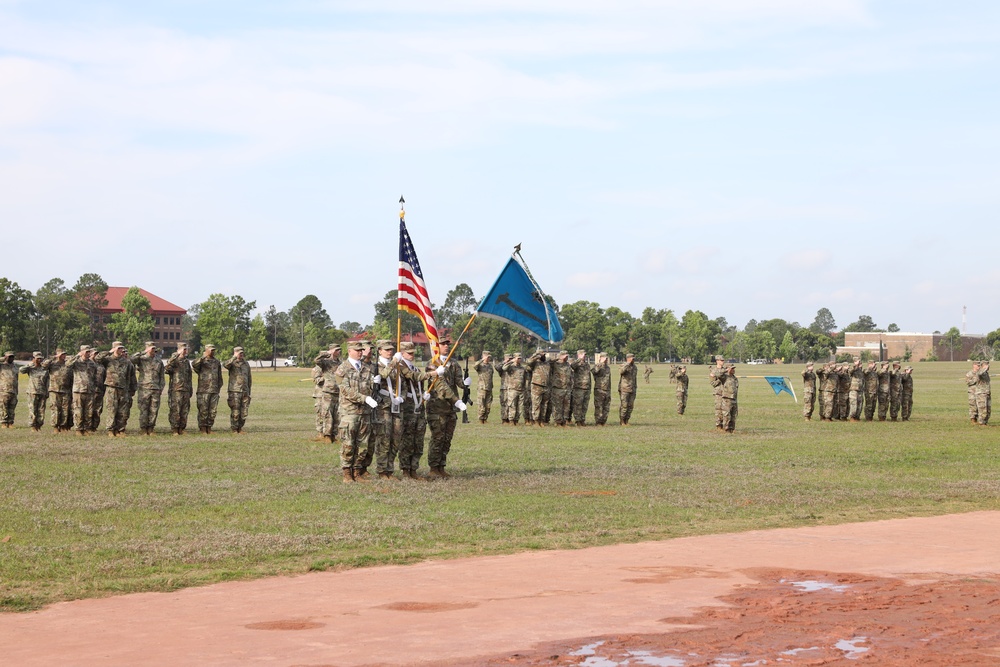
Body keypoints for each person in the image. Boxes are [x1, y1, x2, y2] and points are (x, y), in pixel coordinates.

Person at [394, 341, 443, 479]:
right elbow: (414, 377)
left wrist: (424, 394)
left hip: (418, 408)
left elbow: (418, 381)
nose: (411, 356)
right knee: (407, 440)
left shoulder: (414, 368)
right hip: (408, 409)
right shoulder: (400, 367)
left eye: (413, 353)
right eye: (409, 353)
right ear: (402, 353)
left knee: (418, 440)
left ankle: (413, 469)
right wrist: (433, 373)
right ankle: (405, 470)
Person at [334, 341, 378, 482]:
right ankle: (347, 472)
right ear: (350, 351)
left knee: (363, 444)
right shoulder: (342, 369)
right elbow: (346, 391)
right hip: (350, 412)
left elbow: (370, 388)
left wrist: (374, 384)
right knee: (348, 443)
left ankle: (357, 471)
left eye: (361, 350)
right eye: (357, 350)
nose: (360, 352)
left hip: (365, 412)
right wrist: (364, 398)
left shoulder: (366, 368)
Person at [424, 338, 467, 478]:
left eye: (448, 344)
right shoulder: (432, 364)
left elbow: (458, 381)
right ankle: (433, 467)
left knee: (447, 439)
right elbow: (441, 386)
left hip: (450, 408)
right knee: (437, 438)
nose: (446, 346)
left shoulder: (453, 363)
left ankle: (441, 466)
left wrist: (465, 384)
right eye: (443, 344)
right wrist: (457, 401)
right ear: (436, 346)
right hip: (437, 407)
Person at [95, 341, 135, 437]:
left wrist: (132, 388)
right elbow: (97, 358)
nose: (121, 350)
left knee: (122, 411)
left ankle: (120, 430)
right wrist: (109, 352)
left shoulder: (127, 362)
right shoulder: (108, 360)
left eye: (122, 348)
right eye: (119, 348)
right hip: (111, 388)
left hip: (123, 388)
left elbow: (131, 376)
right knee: (112, 409)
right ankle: (111, 430)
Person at [132, 341, 165, 435]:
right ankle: (143, 428)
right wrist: (143, 352)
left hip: (155, 388)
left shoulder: (158, 361)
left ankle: (151, 428)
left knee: (154, 409)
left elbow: (161, 376)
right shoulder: (142, 359)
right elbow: (132, 359)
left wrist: (161, 388)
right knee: (144, 409)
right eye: (151, 348)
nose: (153, 350)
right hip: (144, 388)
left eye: (154, 348)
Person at [65, 345, 97, 436]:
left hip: (89, 390)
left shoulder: (92, 363)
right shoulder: (76, 362)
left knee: (89, 411)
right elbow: (67, 365)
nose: (88, 354)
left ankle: (86, 428)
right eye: (86, 352)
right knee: (78, 411)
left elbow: (94, 376)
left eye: (89, 352)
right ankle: (78, 429)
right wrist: (77, 356)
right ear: (81, 352)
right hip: (78, 390)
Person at [313, 344, 342, 443]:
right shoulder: (326, 362)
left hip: (338, 391)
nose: (339, 352)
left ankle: (335, 435)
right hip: (328, 391)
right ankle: (327, 435)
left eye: (339, 350)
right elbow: (317, 361)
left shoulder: (340, 363)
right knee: (327, 413)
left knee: (337, 414)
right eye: (337, 350)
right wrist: (327, 353)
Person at [191, 344, 223, 434]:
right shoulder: (201, 361)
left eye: (213, 350)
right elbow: (194, 365)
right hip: (203, 390)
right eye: (211, 350)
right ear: (206, 350)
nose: (212, 352)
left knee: (213, 411)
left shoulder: (216, 361)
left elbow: (219, 375)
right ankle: (203, 428)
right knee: (203, 410)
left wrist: (219, 386)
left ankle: (209, 427)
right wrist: (203, 357)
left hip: (214, 389)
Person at [164, 343, 193, 435]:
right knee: (176, 409)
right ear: (179, 350)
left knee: (185, 410)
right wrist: (175, 355)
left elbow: (189, 376)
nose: (185, 351)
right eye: (184, 349)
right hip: (176, 389)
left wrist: (190, 388)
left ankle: (182, 428)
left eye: (186, 349)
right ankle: (175, 429)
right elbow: (167, 369)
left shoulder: (186, 362)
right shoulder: (174, 361)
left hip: (186, 389)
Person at [223, 346, 252, 433]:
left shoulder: (246, 364)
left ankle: (240, 428)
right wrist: (234, 357)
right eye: (239, 353)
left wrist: (249, 390)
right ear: (235, 353)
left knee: (244, 412)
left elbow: (249, 377)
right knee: (235, 411)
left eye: (242, 353)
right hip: (235, 390)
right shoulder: (232, 363)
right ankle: (234, 429)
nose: (241, 355)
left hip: (244, 390)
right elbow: (225, 365)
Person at [43, 349, 74, 432]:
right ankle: (56, 427)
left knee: (65, 409)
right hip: (54, 389)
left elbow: (71, 377)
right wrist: (53, 357)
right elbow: (44, 366)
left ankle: (63, 426)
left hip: (66, 390)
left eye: (64, 354)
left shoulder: (67, 364)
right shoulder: (52, 364)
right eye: (62, 354)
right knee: (55, 408)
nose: (63, 356)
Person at [19, 352, 49, 431]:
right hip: (32, 391)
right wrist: (30, 364)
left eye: (40, 358)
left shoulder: (44, 368)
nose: (39, 360)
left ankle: (39, 425)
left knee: (41, 410)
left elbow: (47, 381)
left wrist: (47, 392)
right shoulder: (31, 368)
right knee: (33, 410)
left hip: (42, 392)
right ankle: (33, 426)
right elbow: (21, 370)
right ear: (34, 358)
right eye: (37, 358)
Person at [526, 350, 552, 426]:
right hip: (536, 385)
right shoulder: (534, 363)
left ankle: (542, 420)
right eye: (542, 354)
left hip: (546, 386)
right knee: (536, 404)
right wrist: (536, 355)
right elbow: (528, 361)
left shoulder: (547, 363)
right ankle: (536, 421)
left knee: (544, 405)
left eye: (544, 354)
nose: (543, 355)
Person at [502, 353, 527, 425]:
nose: (519, 359)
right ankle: (511, 420)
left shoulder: (522, 368)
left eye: (520, 358)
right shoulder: (511, 367)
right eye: (518, 358)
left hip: (521, 389)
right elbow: (504, 368)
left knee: (520, 407)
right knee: (512, 405)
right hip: (513, 389)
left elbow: (524, 378)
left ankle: (516, 420)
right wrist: (511, 361)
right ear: (514, 358)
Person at [550, 350, 573, 426]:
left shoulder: (568, 365)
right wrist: (557, 358)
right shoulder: (555, 364)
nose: (566, 357)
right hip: (558, 388)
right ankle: (558, 421)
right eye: (564, 356)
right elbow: (548, 361)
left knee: (566, 406)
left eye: (567, 356)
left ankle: (565, 421)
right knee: (557, 406)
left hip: (567, 388)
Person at [570, 350, 592, 426]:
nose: (584, 356)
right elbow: (572, 366)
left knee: (584, 406)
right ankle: (578, 421)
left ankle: (582, 420)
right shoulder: (576, 363)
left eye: (585, 355)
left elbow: (589, 377)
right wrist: (579, 359)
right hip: (578, 388)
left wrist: (589, 387)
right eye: (583, 355)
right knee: (577, 405)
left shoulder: (587, 365)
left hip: (586, 388)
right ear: (578, 355)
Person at [473, 350, 495, 424]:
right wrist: (482, 360)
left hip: (489, 387)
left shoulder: (490, 366)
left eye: (489, 357)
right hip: (482, 388)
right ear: (483, 357)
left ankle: (485, 418)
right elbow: (475, 366)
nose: (488, 358)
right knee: (481, 404)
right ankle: (481, 419)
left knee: (488, 405)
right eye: (487, 357)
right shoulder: (480, 365)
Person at [591, 352, 611, 426]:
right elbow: (594, 371)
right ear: (601, 358)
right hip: (599, 389)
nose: (606, 360)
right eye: (605, 358)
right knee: (599, 406)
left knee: (606, 407)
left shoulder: (608, 368)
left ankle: (603, 421)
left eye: (606, 358)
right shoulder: (597, 366)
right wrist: (600, 364)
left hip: (607, 389)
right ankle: (598, 421)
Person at [618, 352, 638, 426]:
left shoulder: (634, 367)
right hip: (625, 388)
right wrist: (627, 364)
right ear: (628, 359)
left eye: (633, 359)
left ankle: (627, 420)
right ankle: (622, 421)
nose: (633, 360)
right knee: (624, 405)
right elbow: (621, 372)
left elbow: (634, 378)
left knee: (630, 406)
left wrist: (635, 387)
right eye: (632, 359)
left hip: (632, 389)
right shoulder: (624, 365)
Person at [719, 364, 739, 433]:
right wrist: (725, 370)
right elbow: (718, 374)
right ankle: (726, 429)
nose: (733, 370)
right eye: (732, 368)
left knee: (733, 415)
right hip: (727, 399)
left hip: (734, 399)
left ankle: (731, 429)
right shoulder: (725, 377)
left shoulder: (734, 378)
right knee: (727, 416)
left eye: (734, 368)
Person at [0, 352, 18, 428]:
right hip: (4, 390)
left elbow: (17, 378)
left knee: (12, 407)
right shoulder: (2, 366)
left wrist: (17, 390)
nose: (11, 358)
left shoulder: (14, 366)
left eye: (12, 357)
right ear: (5, 357)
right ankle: (4, 422)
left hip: (13, 390)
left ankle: (10, 422)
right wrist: (3, 359)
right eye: (9, 357)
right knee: (4, 407)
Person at [310, 360, 325, 441]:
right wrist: (325, 377)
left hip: (330, 394)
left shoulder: (330, 368)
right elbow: (317, 380)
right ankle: (320, 433)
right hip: (320, 394)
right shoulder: (317, 369)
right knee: (320, 414)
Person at [710, 357, 726, 429]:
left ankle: (726, 425)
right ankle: (719, 425)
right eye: (721, 360)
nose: (723, 361)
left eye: (723, 360)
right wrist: (720, 379)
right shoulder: (713, 371)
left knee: (726, 410)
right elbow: (713, 383)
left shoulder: (725, 370)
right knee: (718, 409)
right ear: (717, 361)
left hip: (726, 393)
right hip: (718, 393)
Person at [974, 360, 991, 426]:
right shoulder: (980, 371)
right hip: (981, 393)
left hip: (987, 393)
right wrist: (984, 368)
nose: (988, 366)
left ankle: (985, 422)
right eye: (986, 365)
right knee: (982, 409)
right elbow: (979, 373)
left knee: (988, 409)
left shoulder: (986, 373)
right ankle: (981, 423)